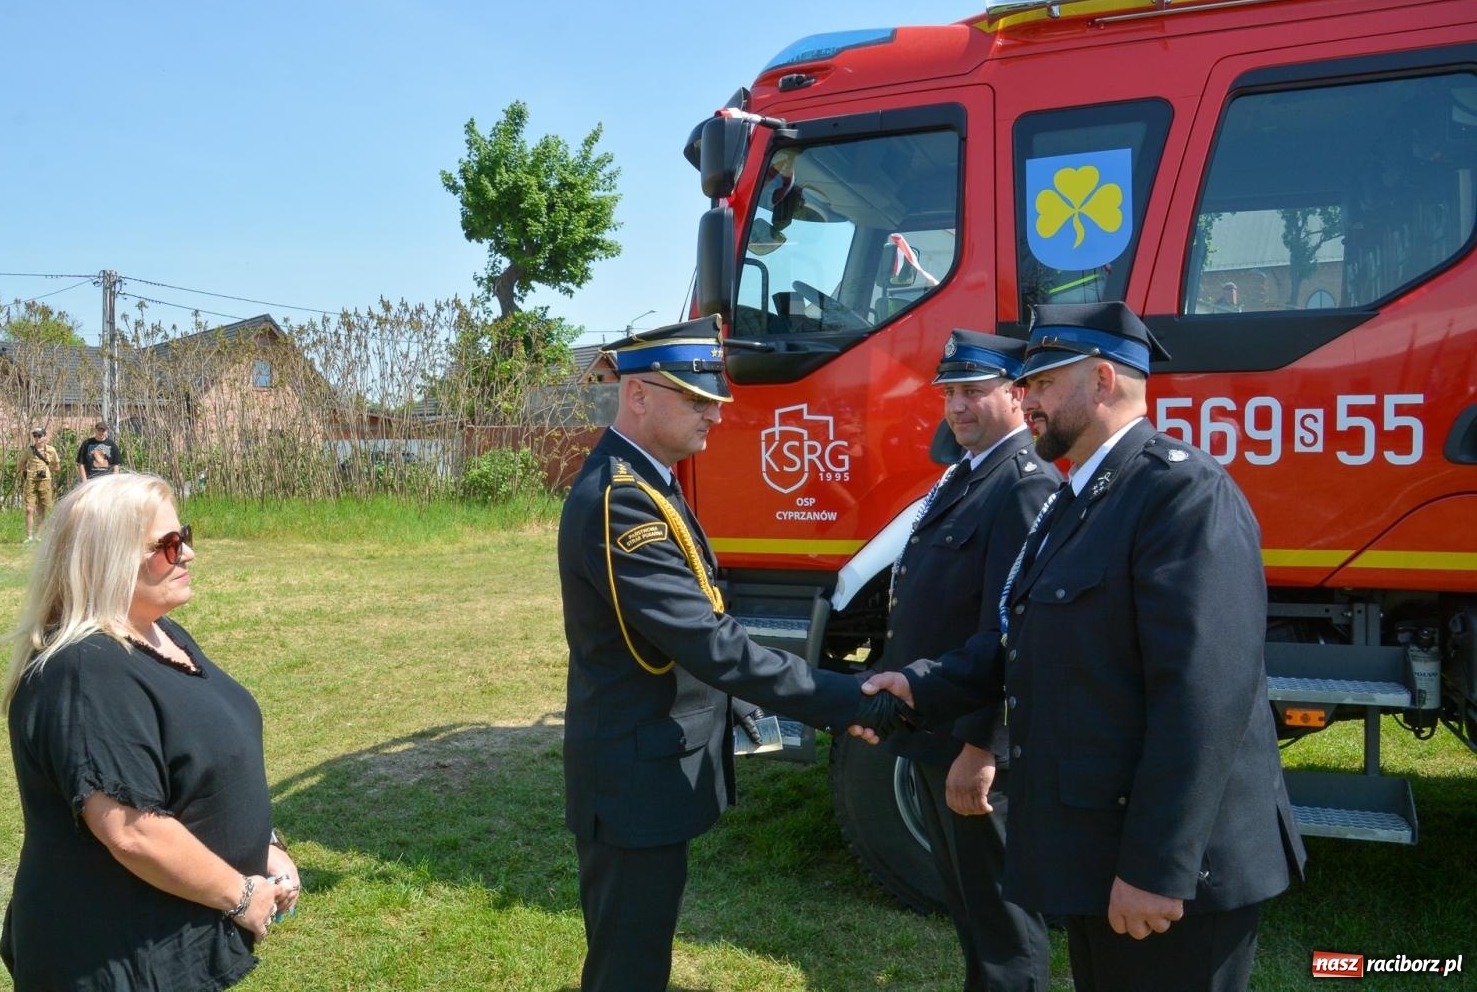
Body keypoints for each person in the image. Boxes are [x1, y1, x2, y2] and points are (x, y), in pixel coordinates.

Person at [858, 302, 1304, 992]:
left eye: (1042, 383)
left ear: (1101, 380)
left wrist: (1157, 868)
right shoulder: (1082, 494)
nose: (1027, 399)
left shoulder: (1181, 492)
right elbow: (1027, 641)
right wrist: (923, 684)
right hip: (1102, 849)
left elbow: (1203, 698)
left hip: (1178, 876)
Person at [558, 316, 906, 992]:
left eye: (714, 401)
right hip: (632, 778)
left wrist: (742, 704)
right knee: (628, 966)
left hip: (648, 765)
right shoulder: (621, 502)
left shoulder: (648, 480)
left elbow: (701, 619)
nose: (715, 415)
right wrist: (846, 700)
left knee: (642, 954)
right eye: (697, 400)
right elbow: (710, 642)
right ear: (638, 395)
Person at [0, 472, 300, 990]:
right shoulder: (85, 672)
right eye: (168, 544)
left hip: (167, 932)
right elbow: (133, 831)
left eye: (185, 536)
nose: (188, 554)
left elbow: (202, 768)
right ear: (109, 559)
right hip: (112, 957)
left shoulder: (159, 633)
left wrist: (262, 846)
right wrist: (242, 894)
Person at [881, 329, 1057, 991]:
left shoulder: (1021, 485)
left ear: (1016, 395)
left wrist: (983, 747)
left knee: (1001, 919)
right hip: (938, 730)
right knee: (970, 905)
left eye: (973, 392)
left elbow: (1014, 634)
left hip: (971, 742)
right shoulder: (970, 472)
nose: (956, 406)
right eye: (948, 393)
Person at [14, 427, 60, 544]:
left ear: (45, 437)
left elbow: (57, 467)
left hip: (45, 481)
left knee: (42, 509)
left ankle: (38, 535)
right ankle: (29, 536)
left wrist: (47, 469)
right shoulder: (29, 450)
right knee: (29, 509)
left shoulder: (51, 450)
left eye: (39, 436)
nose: (37, 438)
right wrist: (28, 470)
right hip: (31, 481)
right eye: (35, 436)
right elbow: (20, 465)